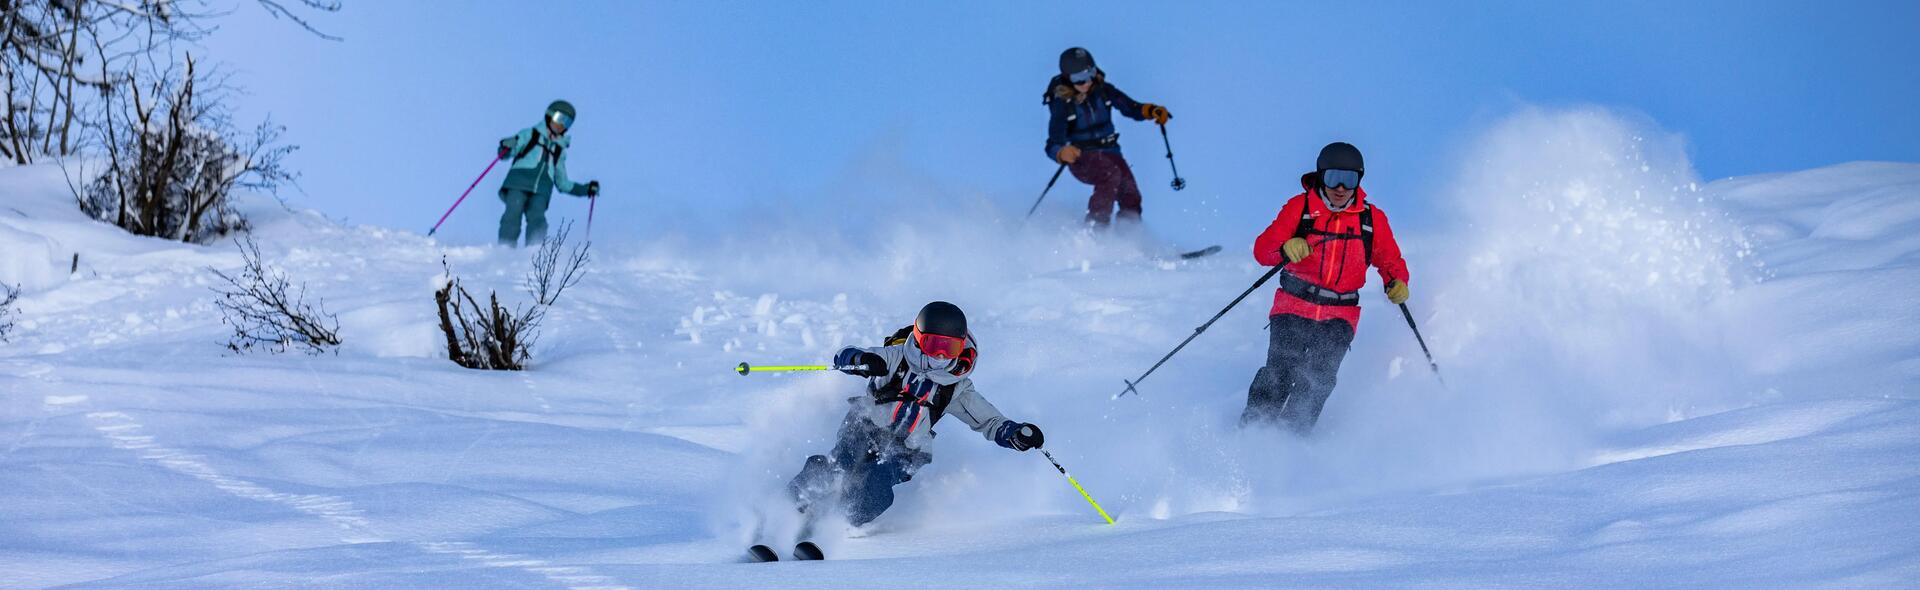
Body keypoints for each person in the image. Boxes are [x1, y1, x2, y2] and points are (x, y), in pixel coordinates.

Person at [786, 301, 1045, 528]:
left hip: (908, 449)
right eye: (933, 345)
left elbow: (989, 420)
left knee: (875, 485)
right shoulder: (896, 357)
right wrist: (861, 360)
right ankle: (790, 506)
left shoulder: (956, 386)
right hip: (865, 425)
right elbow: (844, 357)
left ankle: (835, 523)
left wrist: (1014, 433)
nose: (940, 357)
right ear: (919, 339)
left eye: (950, 348)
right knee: (839, 464)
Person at [1244, 142, 1411, 434]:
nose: (1341, 188)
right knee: (1281, 371)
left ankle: (1291, 439)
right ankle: (1252, 431)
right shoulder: (1301, 208)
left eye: (1350, 179)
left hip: (1340, 315)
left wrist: (1397, 282)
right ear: (1321, 175)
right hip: (1293, 305)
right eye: (1334, 178)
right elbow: (1262, 252)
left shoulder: (1371, 220)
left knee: (1319, 377)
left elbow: (1390, 260)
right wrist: (1285, 246)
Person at [1043, 47, 1172, 227]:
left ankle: (1129, 239)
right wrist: (1061, 153)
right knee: (1109, 175)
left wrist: (1150, 110)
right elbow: (1052, 143)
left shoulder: (1103, 91)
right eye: (1079, 79)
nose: (1086, 82)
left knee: (1131, 193)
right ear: (1067, 78)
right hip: (1083, 157)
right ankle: (1095, 233)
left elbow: (1130, 107)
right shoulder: (1063, 104)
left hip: (1110, 151)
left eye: (1090, 73)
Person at [495, 100, 600, 246]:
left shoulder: (559, 150)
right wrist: (506, 146)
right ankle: (505, 249)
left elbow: (563, 183)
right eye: (559, 118)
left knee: (537, 218)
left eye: (567, 122)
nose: (562, 124)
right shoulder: (530, 134)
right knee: (513, 212)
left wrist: (586, 189)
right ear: (549, 116)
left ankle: (535, 252)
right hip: (518, 182)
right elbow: (507, 152)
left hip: (542, 190)